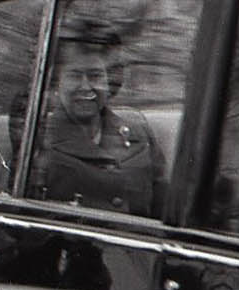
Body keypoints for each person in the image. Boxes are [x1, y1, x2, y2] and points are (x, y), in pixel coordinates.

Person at [26, 24, 163, 216]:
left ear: (108, 82)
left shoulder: (139, 134)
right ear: (57, 82)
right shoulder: (36, 140)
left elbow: (166, 206)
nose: (86, 87)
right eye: (75, 75)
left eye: (95, 75)